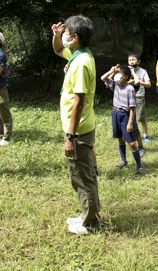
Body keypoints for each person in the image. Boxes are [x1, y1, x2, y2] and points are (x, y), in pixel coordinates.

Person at [51, 16, 101, 235]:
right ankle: (86, 215)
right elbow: (58, 50)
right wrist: (55, 35)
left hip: (78, 129)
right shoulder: (79, 54)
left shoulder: (80, 63)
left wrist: (70, 135)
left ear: (75, 36)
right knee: (81, 174)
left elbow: (79, 101)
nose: (64, 35)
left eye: (66, 32)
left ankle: (91, 223)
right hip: (77, 127)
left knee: (81, 176)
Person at [101, 65, 148, 176]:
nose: (117, 75)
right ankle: (123, 161)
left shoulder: (129, 89)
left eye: (120, 73)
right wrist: (111, 71)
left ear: (126, 76)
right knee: (120, 139)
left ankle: (139, 167)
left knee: (131, 143)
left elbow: (132, 107)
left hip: (125, 115)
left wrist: (130, 122)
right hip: (115, 113)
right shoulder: (115, 85)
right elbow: (103, 78)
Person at [128, 53, 151, 156]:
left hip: (139, 96)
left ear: (138, 61)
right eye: (130, 60)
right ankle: (131, 139)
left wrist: (138, 81)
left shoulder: (143, 72)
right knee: (130, 118)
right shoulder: (127, 71)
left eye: (133, 60)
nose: (131, 61)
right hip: (129, 97)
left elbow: (149, 84)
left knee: (141, 118)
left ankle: (145, 135)